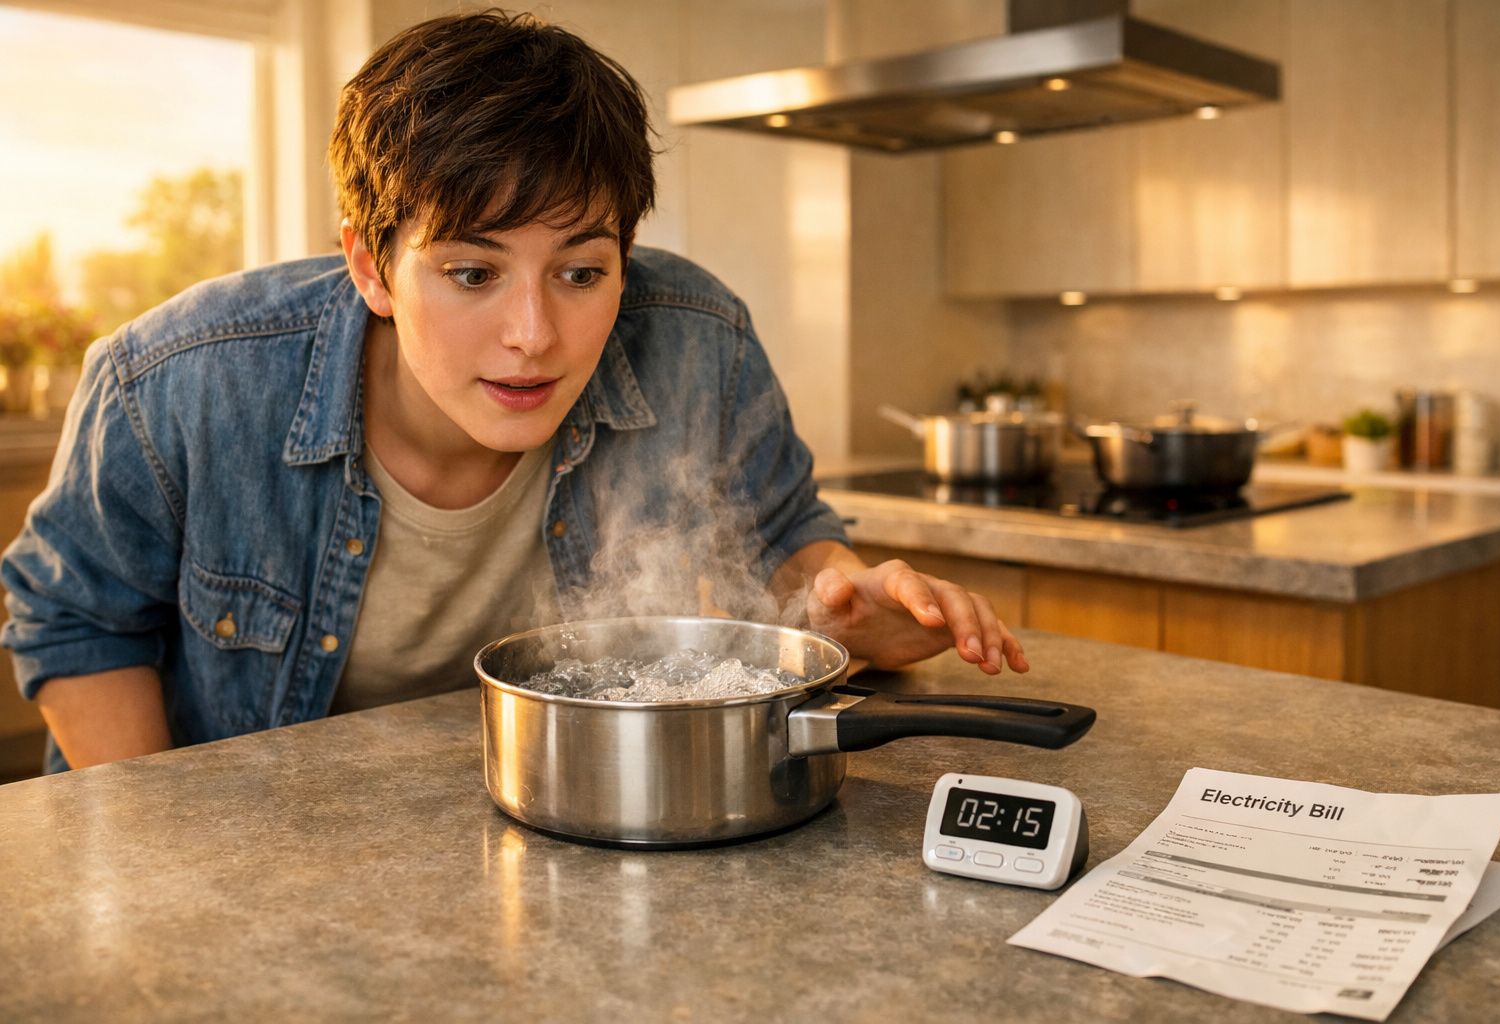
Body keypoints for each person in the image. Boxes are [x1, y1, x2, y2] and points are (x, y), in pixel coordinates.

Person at [1, 9, 1029, 775]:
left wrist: (856, 605)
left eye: (582, 273)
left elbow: (786, 546)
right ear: (370, 267)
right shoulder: (179, 380)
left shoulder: (696, 338)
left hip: (528, 814)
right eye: (472, 272)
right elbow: (73, 617)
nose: (534, 336)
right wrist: (177, 849)